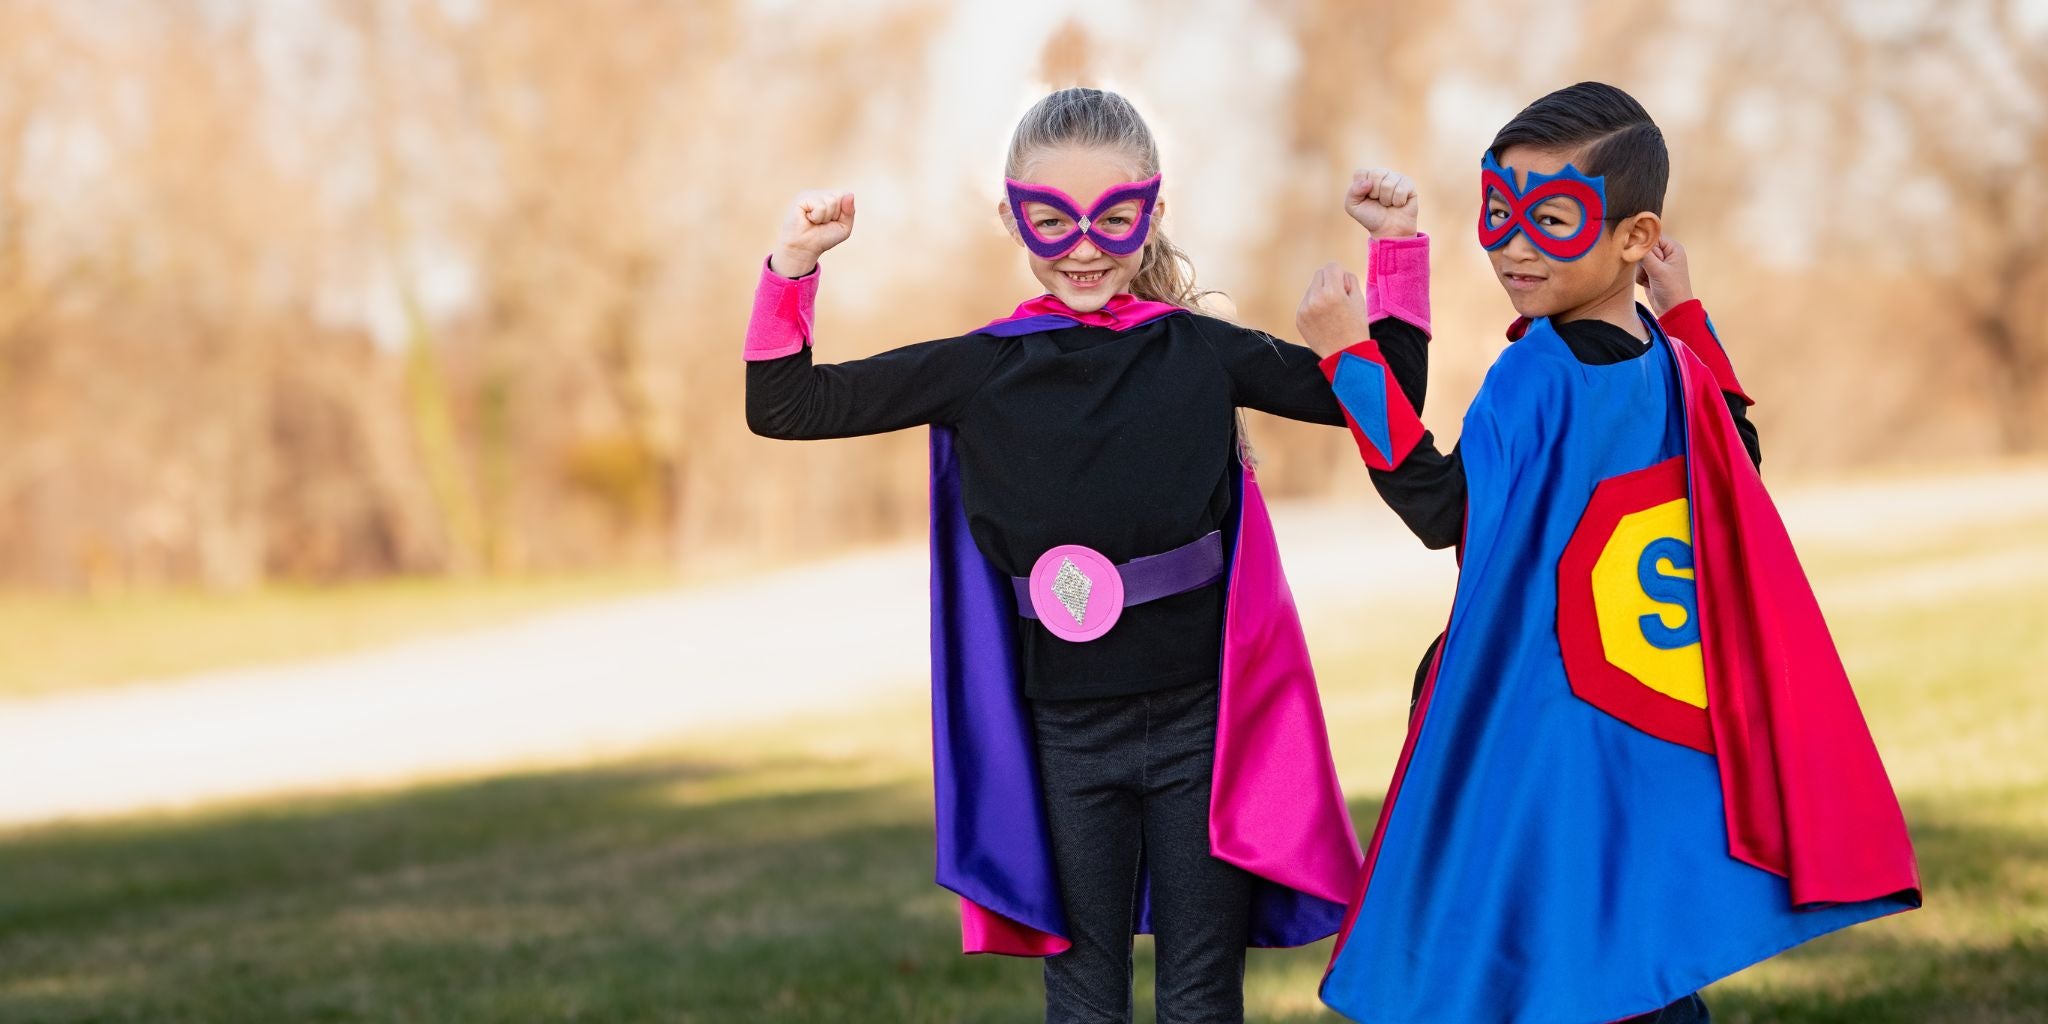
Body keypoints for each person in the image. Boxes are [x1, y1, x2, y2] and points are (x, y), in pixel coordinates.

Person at [744, 87, 1408, 1023]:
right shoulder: (980, 368)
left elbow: (1381, 405)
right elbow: (784, 406)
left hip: (1202, 728)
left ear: (1154, 214)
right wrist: (792, 266)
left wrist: (1397, 257)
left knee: (1199, 996)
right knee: (1086, 996)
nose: (1085, 246)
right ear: (1013, 218)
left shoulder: (1201, 352)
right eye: (1052, 221)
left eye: (1114, 217)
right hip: (1062, 736)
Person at [1292, 82, 1921, 1024]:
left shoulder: (1533, 378)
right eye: (1496, 214)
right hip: (1653, 728)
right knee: (1631, 953)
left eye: (1550, 219)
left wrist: (1348, 357)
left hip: (1546, 731)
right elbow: (1739, 458)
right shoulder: (1673, 364)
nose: (1511, 245)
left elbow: (1440, 509)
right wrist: (1690, 312)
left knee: (1546, 962)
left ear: (1633, 236)